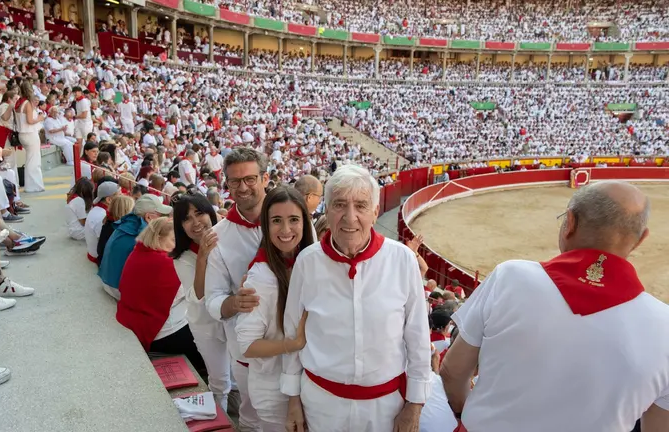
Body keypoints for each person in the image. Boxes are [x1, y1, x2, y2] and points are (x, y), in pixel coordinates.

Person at [441, 181, 669, 432]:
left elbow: (453, 372)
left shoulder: (510, 276)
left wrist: (463, 412)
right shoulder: (665, 325)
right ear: (641, 239)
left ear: (569, 222)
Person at [281, 164, 431, 432]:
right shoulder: (307, 262)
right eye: (339, 205)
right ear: (327, 210)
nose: (350, 218)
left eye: (361, 206)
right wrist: (293, 399)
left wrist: (414, 405)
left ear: (375, 212)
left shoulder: (402, 260)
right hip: (321, 406)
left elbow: (418, 337)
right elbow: (293, 333)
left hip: (385, 409)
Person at [236, 186, 313, 431]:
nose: (286, 229)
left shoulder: (309, 263)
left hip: (305, 386)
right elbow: (247, 346)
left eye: (293, 220)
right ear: (266, 226)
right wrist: (292, 344)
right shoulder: (261, 277)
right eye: (277, 221)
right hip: (275, 391)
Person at [205, 148, 270, 432]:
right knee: (252, 414)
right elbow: (212, 300)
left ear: (265, 178)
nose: (242, 187)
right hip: (247, 349)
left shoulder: (294, 218)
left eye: (250, 179)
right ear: (226, 184)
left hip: (294, 342)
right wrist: (235, 303)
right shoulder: (219, 236)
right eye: (234, 181)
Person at [116, 217, 206, 372]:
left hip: (139, 321)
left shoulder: (139, 251)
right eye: (173, 240)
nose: (178, 245)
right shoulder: (164, 263)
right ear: (158, 238)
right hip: (163, 333)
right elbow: (195, 294)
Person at [171, 194, 231, 410]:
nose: (196, 222)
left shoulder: (226, 236)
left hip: (231, 318)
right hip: (206, 326)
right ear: (180, 227)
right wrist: (203, 255)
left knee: (236, 375)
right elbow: (198, 293)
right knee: (220, 380)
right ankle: (221, 420)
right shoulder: (182, 258)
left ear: (210, 213)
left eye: (199, 213)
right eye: (187, 219)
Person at [99, 194, 172, 300]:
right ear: (148, 217)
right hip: (117, 289)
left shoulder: (128, 223)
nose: (163, 218)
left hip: (107, 281)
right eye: (161, 214)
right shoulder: (142, 234)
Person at [15, 80, 45, 193]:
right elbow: (30, 120)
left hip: (22, 134)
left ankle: (32, 185)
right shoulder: (27, 103)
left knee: (30, 160)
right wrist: (40, 118)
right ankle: (34, 186)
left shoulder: (19, 102)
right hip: (29, 134)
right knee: (34, 160)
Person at [84, 181, 119, 263]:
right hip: (97, 257)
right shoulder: (102, 216)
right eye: (119, 195)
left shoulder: (99, 210)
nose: (123, 197)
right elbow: (105, 244)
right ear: (109, 200)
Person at [96, 194, 135, 266]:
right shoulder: (119, 230)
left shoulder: (108, 222)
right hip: (108, 266)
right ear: (126, 211)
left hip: (101, 261)